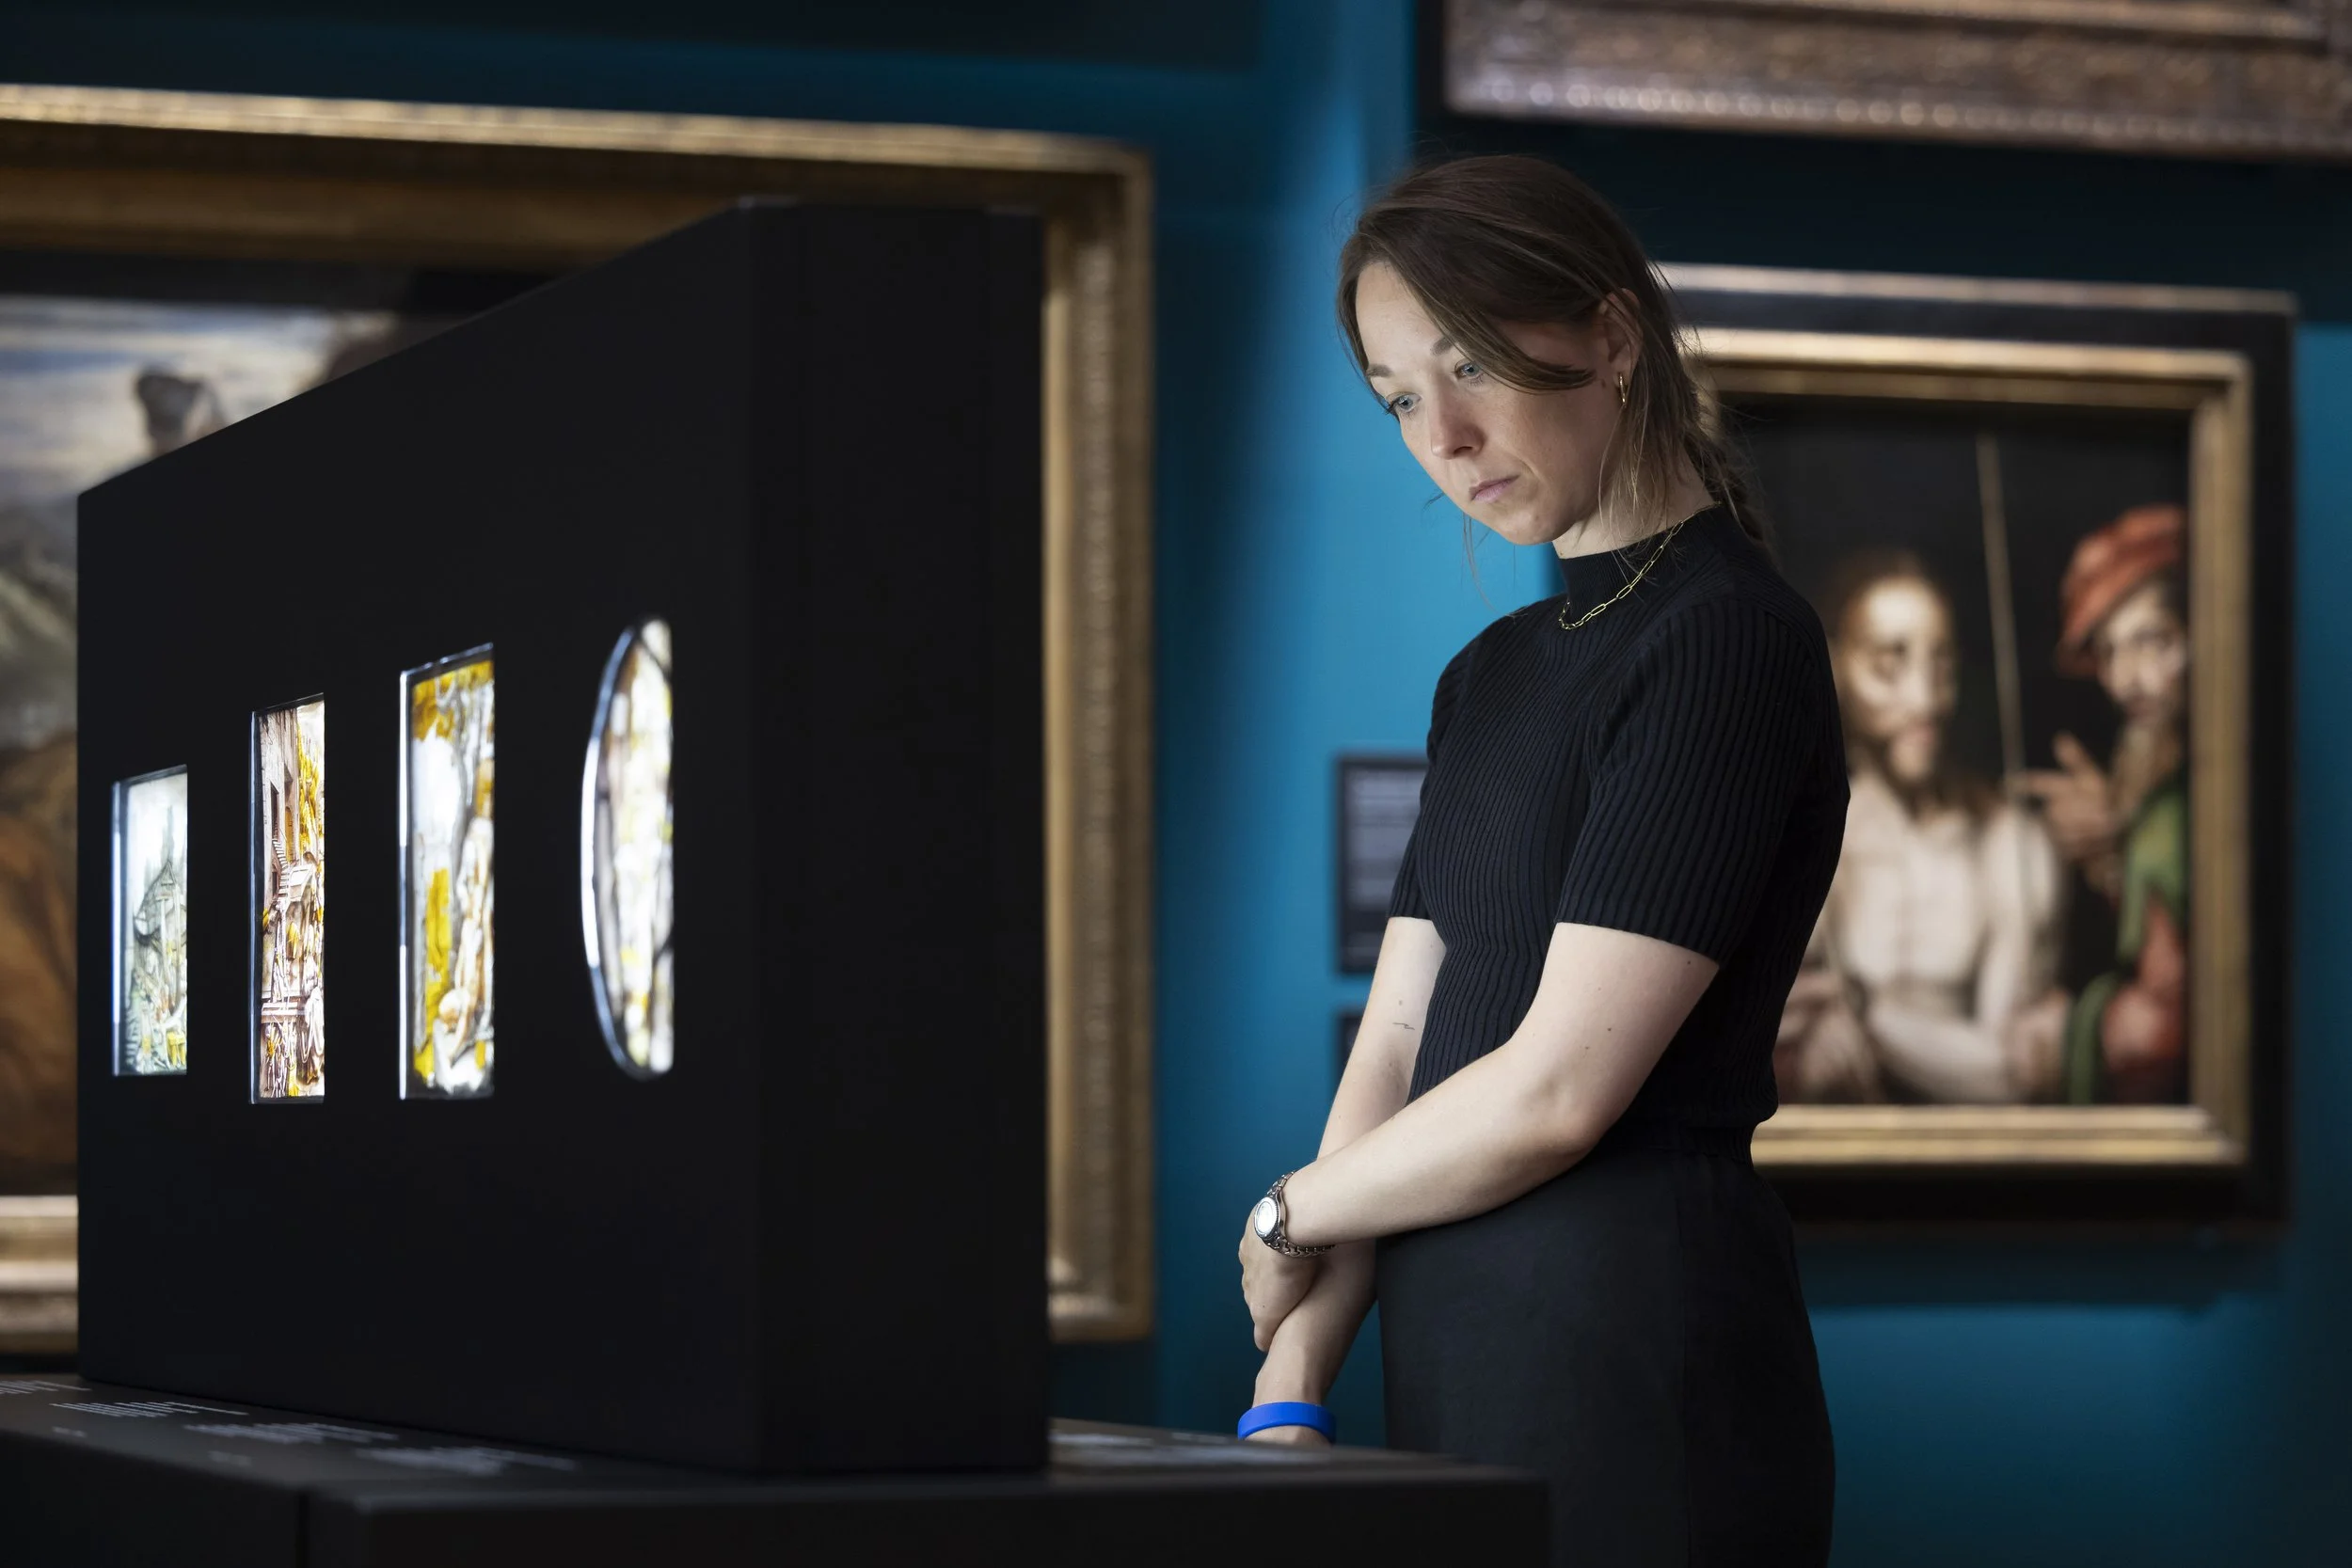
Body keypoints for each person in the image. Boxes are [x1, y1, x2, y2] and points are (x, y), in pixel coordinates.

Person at [1233, 155, 1844, 1566]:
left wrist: (1289, 1209)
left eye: (1470, 365)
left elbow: (1559, 1091)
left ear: (1613, 335)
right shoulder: (1488, 675)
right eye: (1399, 397)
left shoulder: (1725, 637)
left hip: (1641, 1358)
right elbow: (1399, 1043)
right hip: (1457, 1359)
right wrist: (1294, 1378)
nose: (1443, 437)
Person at [1775, 556, 2068, 1104]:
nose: (1925, 700)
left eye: (1941, 664)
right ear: (1835, 669)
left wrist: (1862, 1015)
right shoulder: (1801, 838)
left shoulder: (2009, 843)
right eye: (1890, 665)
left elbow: (2010, 1074)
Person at [2018, 504, 2189, 1103]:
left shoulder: (2189, 802)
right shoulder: (2156, 792)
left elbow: (2157, 1028)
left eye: (2153, 641)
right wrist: (2116, 854)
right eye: (2111, 652)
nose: (2125, 681)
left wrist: (2073, 1029)